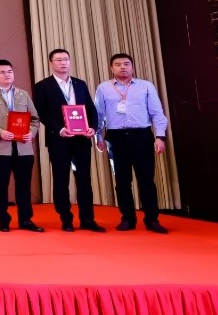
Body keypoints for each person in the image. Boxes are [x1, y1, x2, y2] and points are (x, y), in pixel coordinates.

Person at [94, 52, 171, 233]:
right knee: (122, 181)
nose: (123, 67)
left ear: (132, 67)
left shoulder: (146, 86)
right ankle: (127, 218)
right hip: (116, 138)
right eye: (118, 64)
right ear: (111, 68)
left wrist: (160, 137)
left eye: (126, 64)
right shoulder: (103, 88)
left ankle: (152, 220)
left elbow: (157, 113)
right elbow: (98, 115)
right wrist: (98, 137)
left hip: (141, 136)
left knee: (146, 180)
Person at [32, 48, 105, 232]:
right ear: (51, 63)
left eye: (66, 59)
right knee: (61, 179)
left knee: (84, 179)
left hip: (82, 139)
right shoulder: (42, 86)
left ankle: (87, 219)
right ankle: (66, 219)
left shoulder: (80, 84)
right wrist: (59, 129)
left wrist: (92, 127)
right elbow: (42, 113)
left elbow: (91, 109)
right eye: (58, 60)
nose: (63, 63)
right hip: (59, 139)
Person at [0, 59, 44, 233]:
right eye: (2, 72)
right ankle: (3, 220)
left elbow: (35, 119)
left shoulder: (23, 94)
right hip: (0, 148)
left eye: (10, 71)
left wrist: (31, 133)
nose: (7, 75)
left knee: (24, 186)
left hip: (23, 148)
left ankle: (25, 220)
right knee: (1, 185)